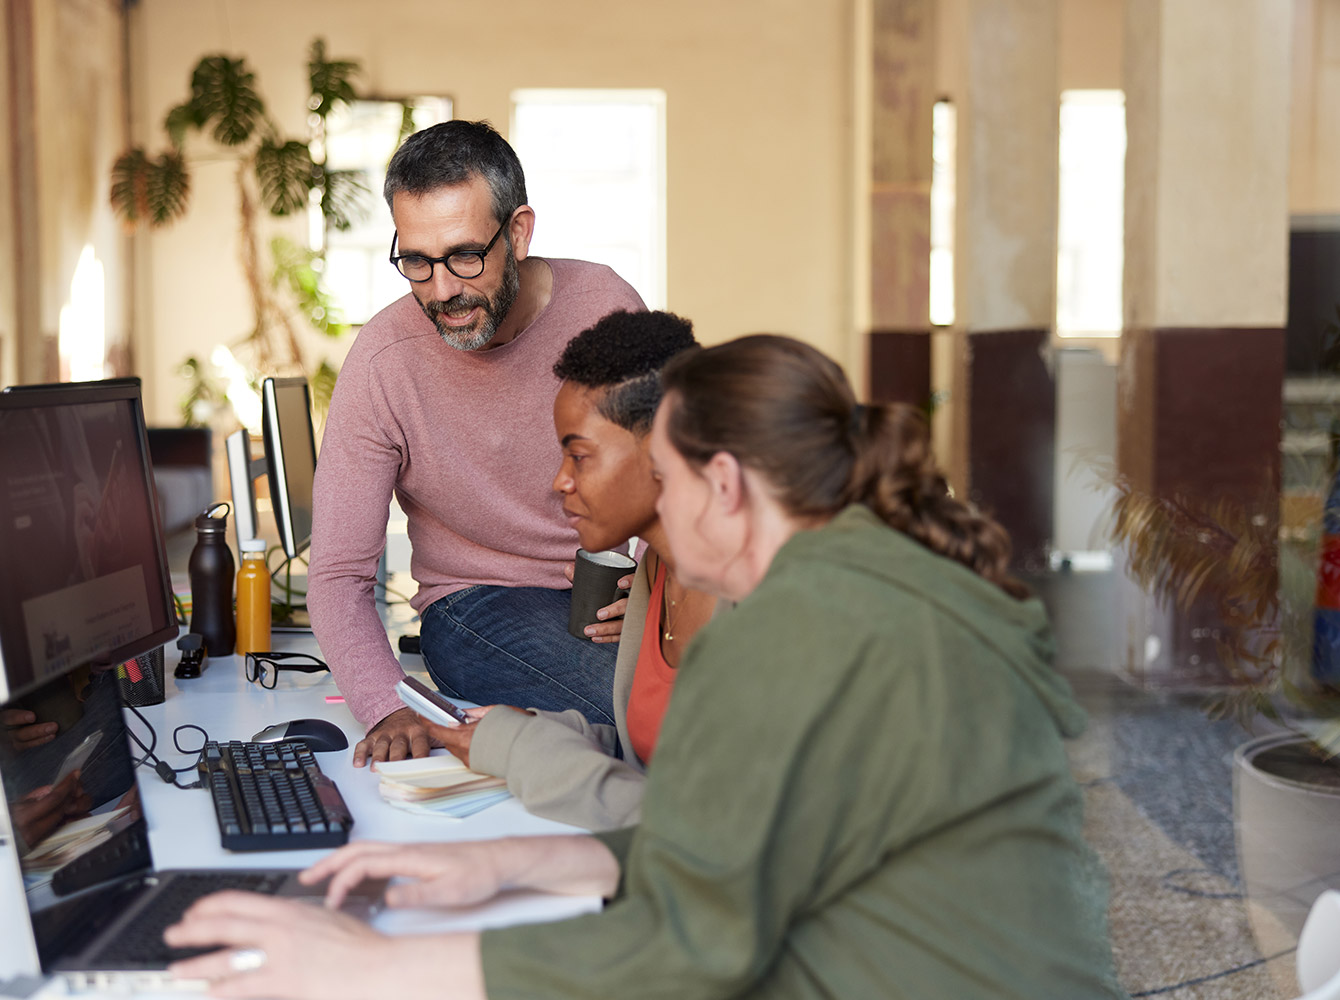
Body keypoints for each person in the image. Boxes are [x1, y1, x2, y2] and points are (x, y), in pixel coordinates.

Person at [165, 334, 1125, 1000]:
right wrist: (508, 862)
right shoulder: (864, 584)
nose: (653, 517)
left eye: (663, 479)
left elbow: (696, 940)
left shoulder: (814, 624)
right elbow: (740, 850)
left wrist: (366, 970)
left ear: (725, 485)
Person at [306, 120, 645, 767]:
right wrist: (390, 704)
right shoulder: (383, 361)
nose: (441, 290)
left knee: (733, 676)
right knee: (644, 710)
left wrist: (659, 586)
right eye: (416, 261)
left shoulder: (603, 305)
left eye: (465, 256)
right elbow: (339, 576)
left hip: (601, 591)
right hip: (474, 608)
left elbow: (666, 466)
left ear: (517, 233)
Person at [437, 309, 717, 830]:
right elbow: (654, 756)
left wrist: (523, 752)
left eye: (580, 457)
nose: (559, 482)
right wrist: (539, 729)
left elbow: (714, 825)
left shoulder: (760, 607)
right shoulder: (656, 575)